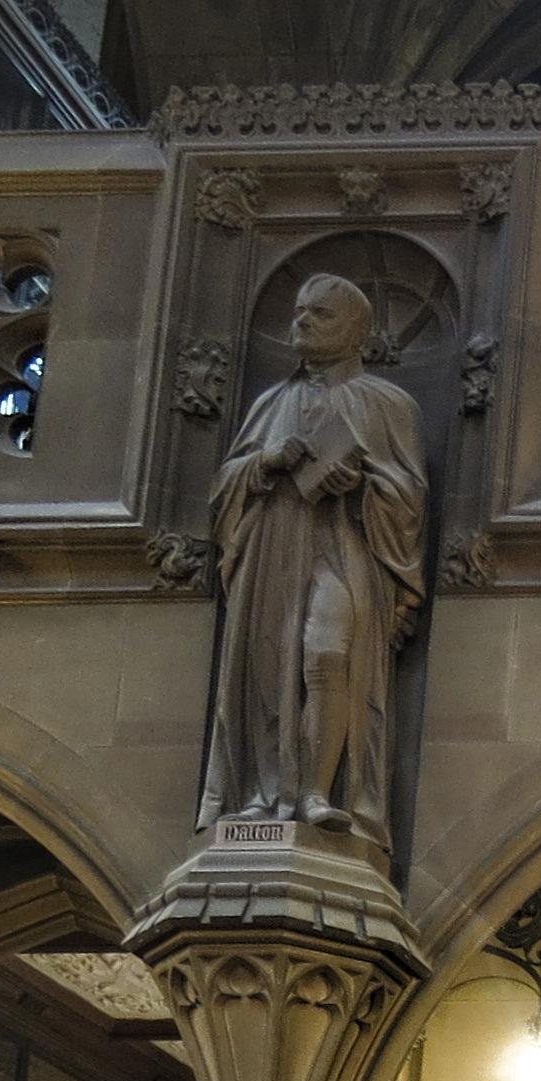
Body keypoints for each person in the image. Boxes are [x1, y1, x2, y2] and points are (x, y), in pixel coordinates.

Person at [195, 269, 430, 855]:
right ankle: (263, 792)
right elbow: (224, 487)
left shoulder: (385, 403)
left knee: (328, 654)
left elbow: (409, 492)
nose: (301, 321)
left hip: (343, 545)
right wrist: (266, 464)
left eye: (318, 314)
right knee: (269, 664)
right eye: (299, 311)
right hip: (275, 543)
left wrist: (363, 483)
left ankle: (317, 794)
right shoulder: (273, 403)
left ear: (355, 331)